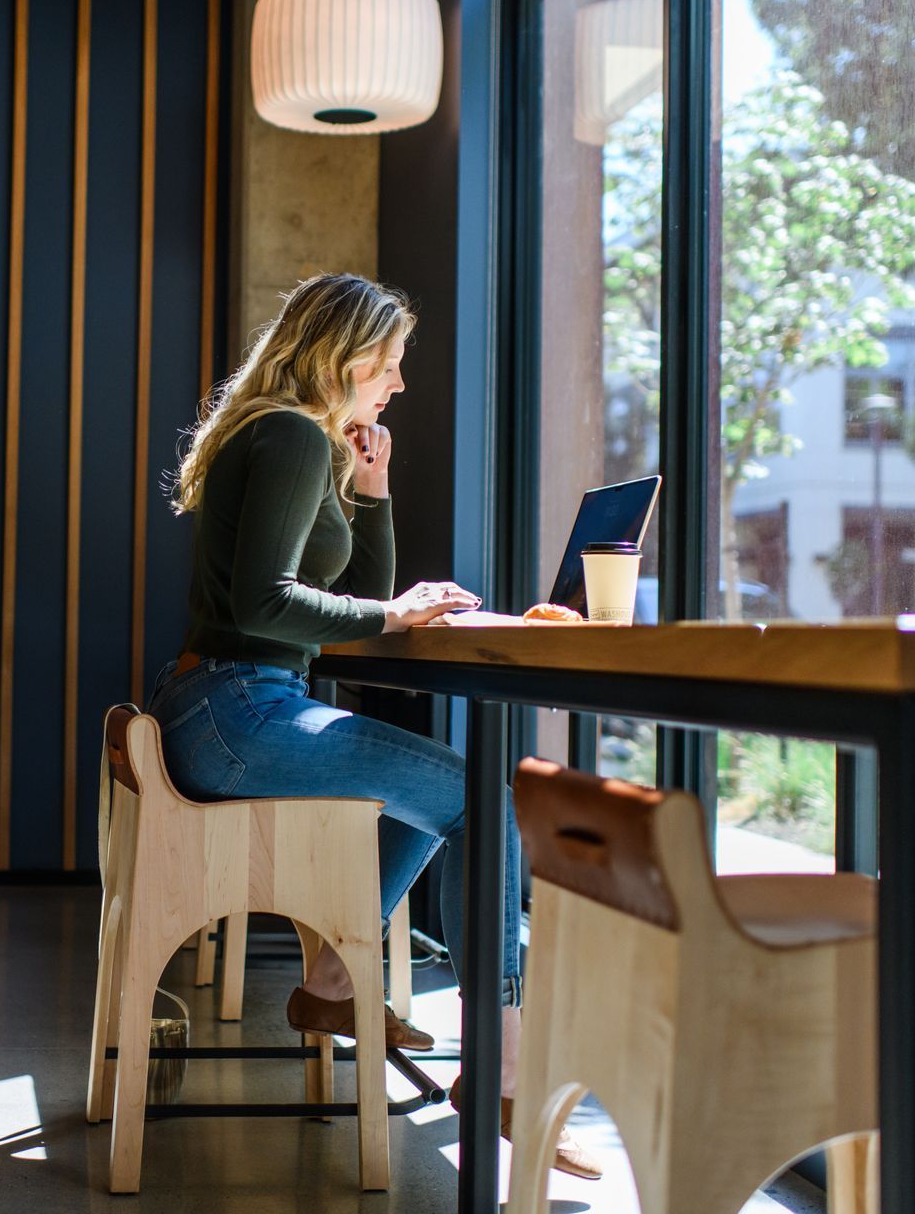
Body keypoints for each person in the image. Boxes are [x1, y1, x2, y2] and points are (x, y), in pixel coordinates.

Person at [146, 272, 599, 1180]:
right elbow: (267, 602)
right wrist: (393, 618)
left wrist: (375, 487)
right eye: (387, 364)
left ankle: (331, 987)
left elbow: (354, 592)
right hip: (239, 706)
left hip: (229, 703)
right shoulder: (284, 434)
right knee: (484, 800)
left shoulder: (296, 438)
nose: (395, 383)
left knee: (431, 792)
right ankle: (498, 1065)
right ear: (341, 357)